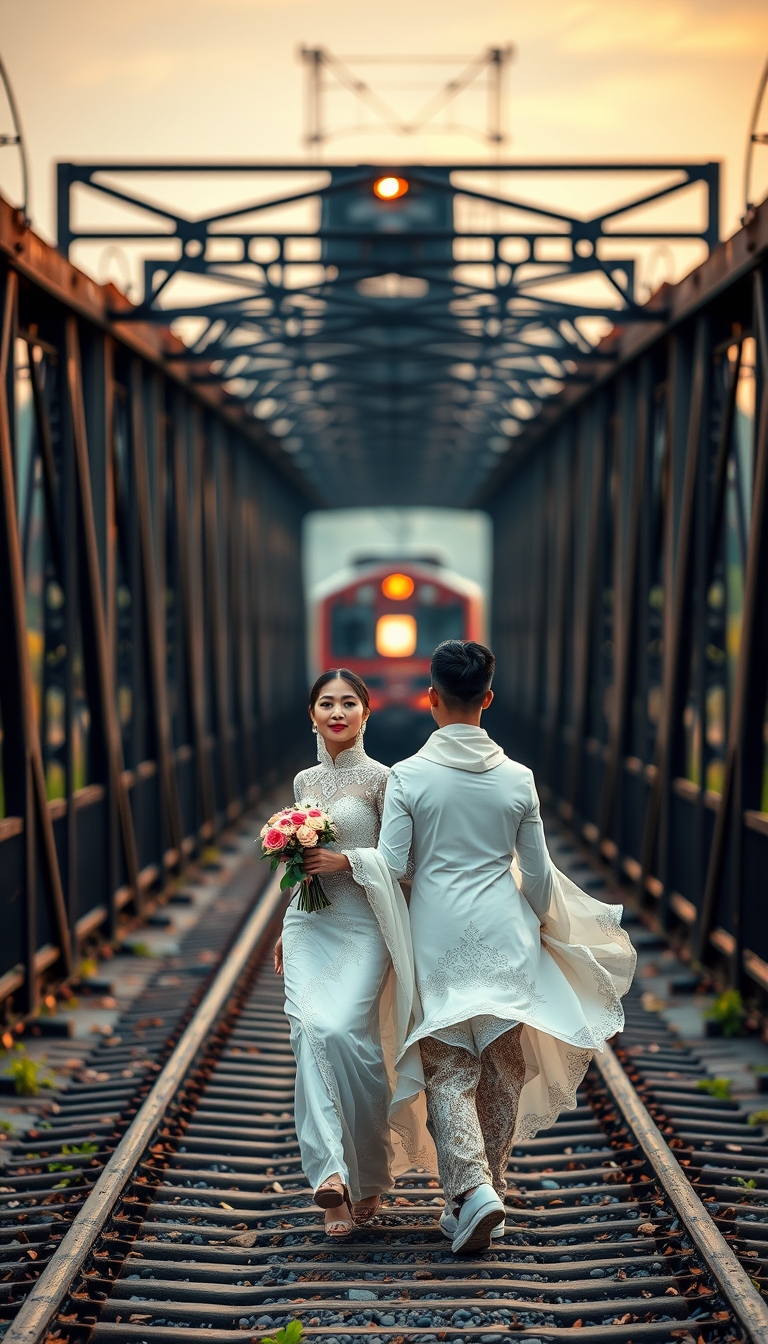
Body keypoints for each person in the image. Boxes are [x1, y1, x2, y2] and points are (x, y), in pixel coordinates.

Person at [378, 640, 636, 1255]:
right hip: (506, 933)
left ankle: (470, 1192)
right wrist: (548, 927)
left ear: (431, 699)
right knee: (501, 1065)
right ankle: (486, 1186)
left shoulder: (409, 777)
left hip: (437, 933)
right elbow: (541, 877)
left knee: (445, 1066)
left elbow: (391, 865)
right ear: (488, 700)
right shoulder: (518, 779)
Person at [273, 670, 432, 1238]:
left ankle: (370, 1174)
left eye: (347, 704)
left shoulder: (388, 782)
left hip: (366, 926)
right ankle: (332, 1179)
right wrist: (284, 924)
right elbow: (300, 863)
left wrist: (348, 862)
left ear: (367, 713)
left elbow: (406, 868)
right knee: (309, 1032)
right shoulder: (303, 780)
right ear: (311, 714)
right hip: (308, 923)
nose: (336, 712)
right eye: (325, 704)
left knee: (347, 1037)